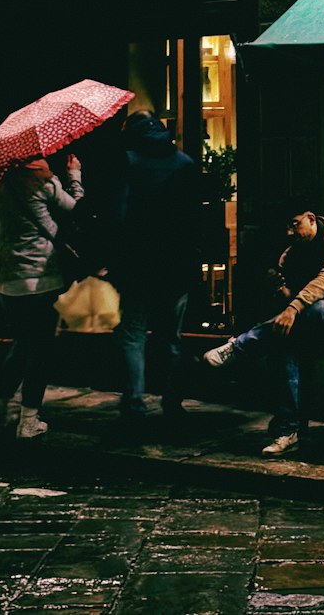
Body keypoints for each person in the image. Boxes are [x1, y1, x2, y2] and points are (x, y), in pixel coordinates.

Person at [203, 206, 324, 456]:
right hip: (308, 327)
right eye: (287, 227)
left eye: (295, 224)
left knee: (316, 308)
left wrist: (293, 307)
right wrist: (279, 286)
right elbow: (278, 275)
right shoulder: (295, 249)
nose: (291, 231)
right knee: (285, 344)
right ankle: (288, 431)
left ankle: (240, 346)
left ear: (311, 218)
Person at [0, 152, 85, 439]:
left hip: (8, 279)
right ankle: (28, 421)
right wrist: (74, 175)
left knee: (21, 343)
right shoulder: (45, 182)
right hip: (41, 278)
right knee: (39, 349)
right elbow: (74, 207)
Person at [109, 111, 202, 425]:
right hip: (177, 268)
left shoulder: (129, 162)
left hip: (139, 266)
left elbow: (119, 219)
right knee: (170, 338)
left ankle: (134, 402)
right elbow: (194, 223)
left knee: (133, 335)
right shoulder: (186, 164)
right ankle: (172, 401)